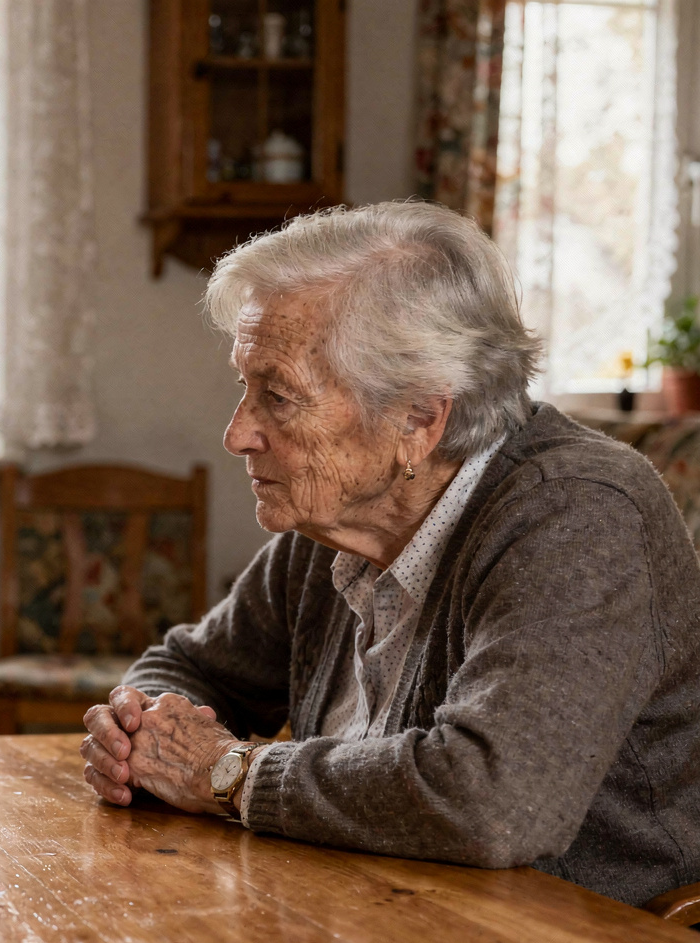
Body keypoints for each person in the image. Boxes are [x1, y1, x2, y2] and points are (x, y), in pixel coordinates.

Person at [79, 200, 700, 907]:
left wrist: (227, 775)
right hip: (377, 918)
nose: (238, 433)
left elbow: (492, 802)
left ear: (417, 419)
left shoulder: (579, 513)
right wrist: (145, 731)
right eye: (243, 388)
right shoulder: (340, 519)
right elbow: (188, 666)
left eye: (278, 396)